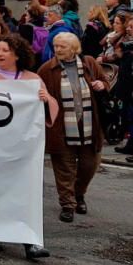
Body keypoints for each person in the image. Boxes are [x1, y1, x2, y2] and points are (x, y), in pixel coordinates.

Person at [0, 34, 56, 260]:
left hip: (22, 148)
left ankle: (31, 242)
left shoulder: (32, 79)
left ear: (17, 54)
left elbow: (47, 111)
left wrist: (46, 99)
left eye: (5, 50)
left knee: (25, 191)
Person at [37, 32, 109, 224]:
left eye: (62, 46)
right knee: (64, 168)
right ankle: (67, 205)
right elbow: (38, 96)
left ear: (74, 48)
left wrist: (102, 84)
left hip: (89, 125)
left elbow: (106, 82)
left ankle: (79, 194)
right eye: (56, 46)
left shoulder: (90, 63)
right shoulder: (46, 69)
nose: (57, 49)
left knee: (89, 165)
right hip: (61, 127)